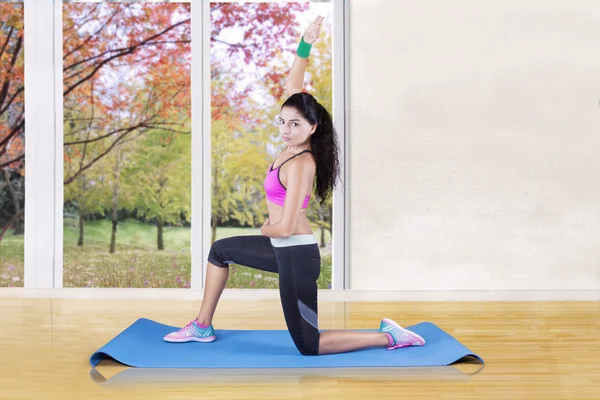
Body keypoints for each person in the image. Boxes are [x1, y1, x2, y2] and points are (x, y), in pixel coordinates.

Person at [163, 16, 425, 355]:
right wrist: (305, 43)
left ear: (312, 128)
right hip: (281, 250)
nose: (286, 129)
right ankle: (201, 327)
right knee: (219, 251)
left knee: (308, 344)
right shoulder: (290, 145)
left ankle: (389, 336)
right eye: (282, 122)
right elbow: (294, 86)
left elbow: (284, 227)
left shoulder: (302, 163)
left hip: (296, 255)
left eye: (294, 124)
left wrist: (263, 226)